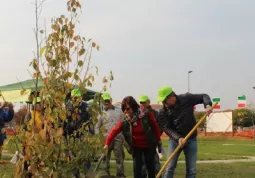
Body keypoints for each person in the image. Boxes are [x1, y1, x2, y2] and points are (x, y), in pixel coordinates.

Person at [157, 86, 212, 178]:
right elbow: (166, 128)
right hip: (175, 141)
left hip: (191, 139)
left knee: (191, 169)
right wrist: (179, 138)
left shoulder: (186, 98)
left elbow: (204, 96)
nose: (164, 103)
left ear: (172, 96)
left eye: (165, 100)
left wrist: (208, 105)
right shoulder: (163, 111)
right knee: (169, 167)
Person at [104, 96, 162, 178]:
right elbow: (114, 131)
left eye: (127, 109)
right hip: (136, 147)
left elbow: (155, 126)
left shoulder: (146, 114)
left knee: (150, 168)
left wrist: (159, 139)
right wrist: (107, 143)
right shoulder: (124, 121)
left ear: (134, 107)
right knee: (137, 170)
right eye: (123, 109)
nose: (125, 111)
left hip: (149, 145)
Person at [63, 89, 93, 178]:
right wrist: (65, 133)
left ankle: (87, 174)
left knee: (86, 157)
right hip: (72, 137)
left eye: (77, 97)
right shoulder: (68, 108)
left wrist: (90, 135)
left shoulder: (87, 107)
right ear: (71, 98)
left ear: (81, 97)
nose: (75, 99)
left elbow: (90, 123)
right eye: (74, 98)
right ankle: (75, 175)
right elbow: (65, 123)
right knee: (73, 158)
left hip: (84, 136)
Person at [95, 93, 125, 178]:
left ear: (111, 100)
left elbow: (124, 124)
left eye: (108, 100)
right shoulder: (100, 113)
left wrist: (123, 136)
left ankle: (120, 175)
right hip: (105, 139)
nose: (106, 102)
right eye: (105, 101)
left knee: (119, 158)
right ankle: (106, 175)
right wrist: (98, 138)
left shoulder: (120, 111)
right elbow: (97, 127)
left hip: (118, 137)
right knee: (105, 159)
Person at [139, 95, 161, 178]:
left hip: (153, 142)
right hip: (142, 141)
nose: (142, 104)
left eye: (143, 102)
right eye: (140, 102)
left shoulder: (155, 113)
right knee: (143, 162)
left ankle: (158, 175)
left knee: (155, 161)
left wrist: (157, 137)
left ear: (148, 102)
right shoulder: (138, 114)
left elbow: (160, 126)